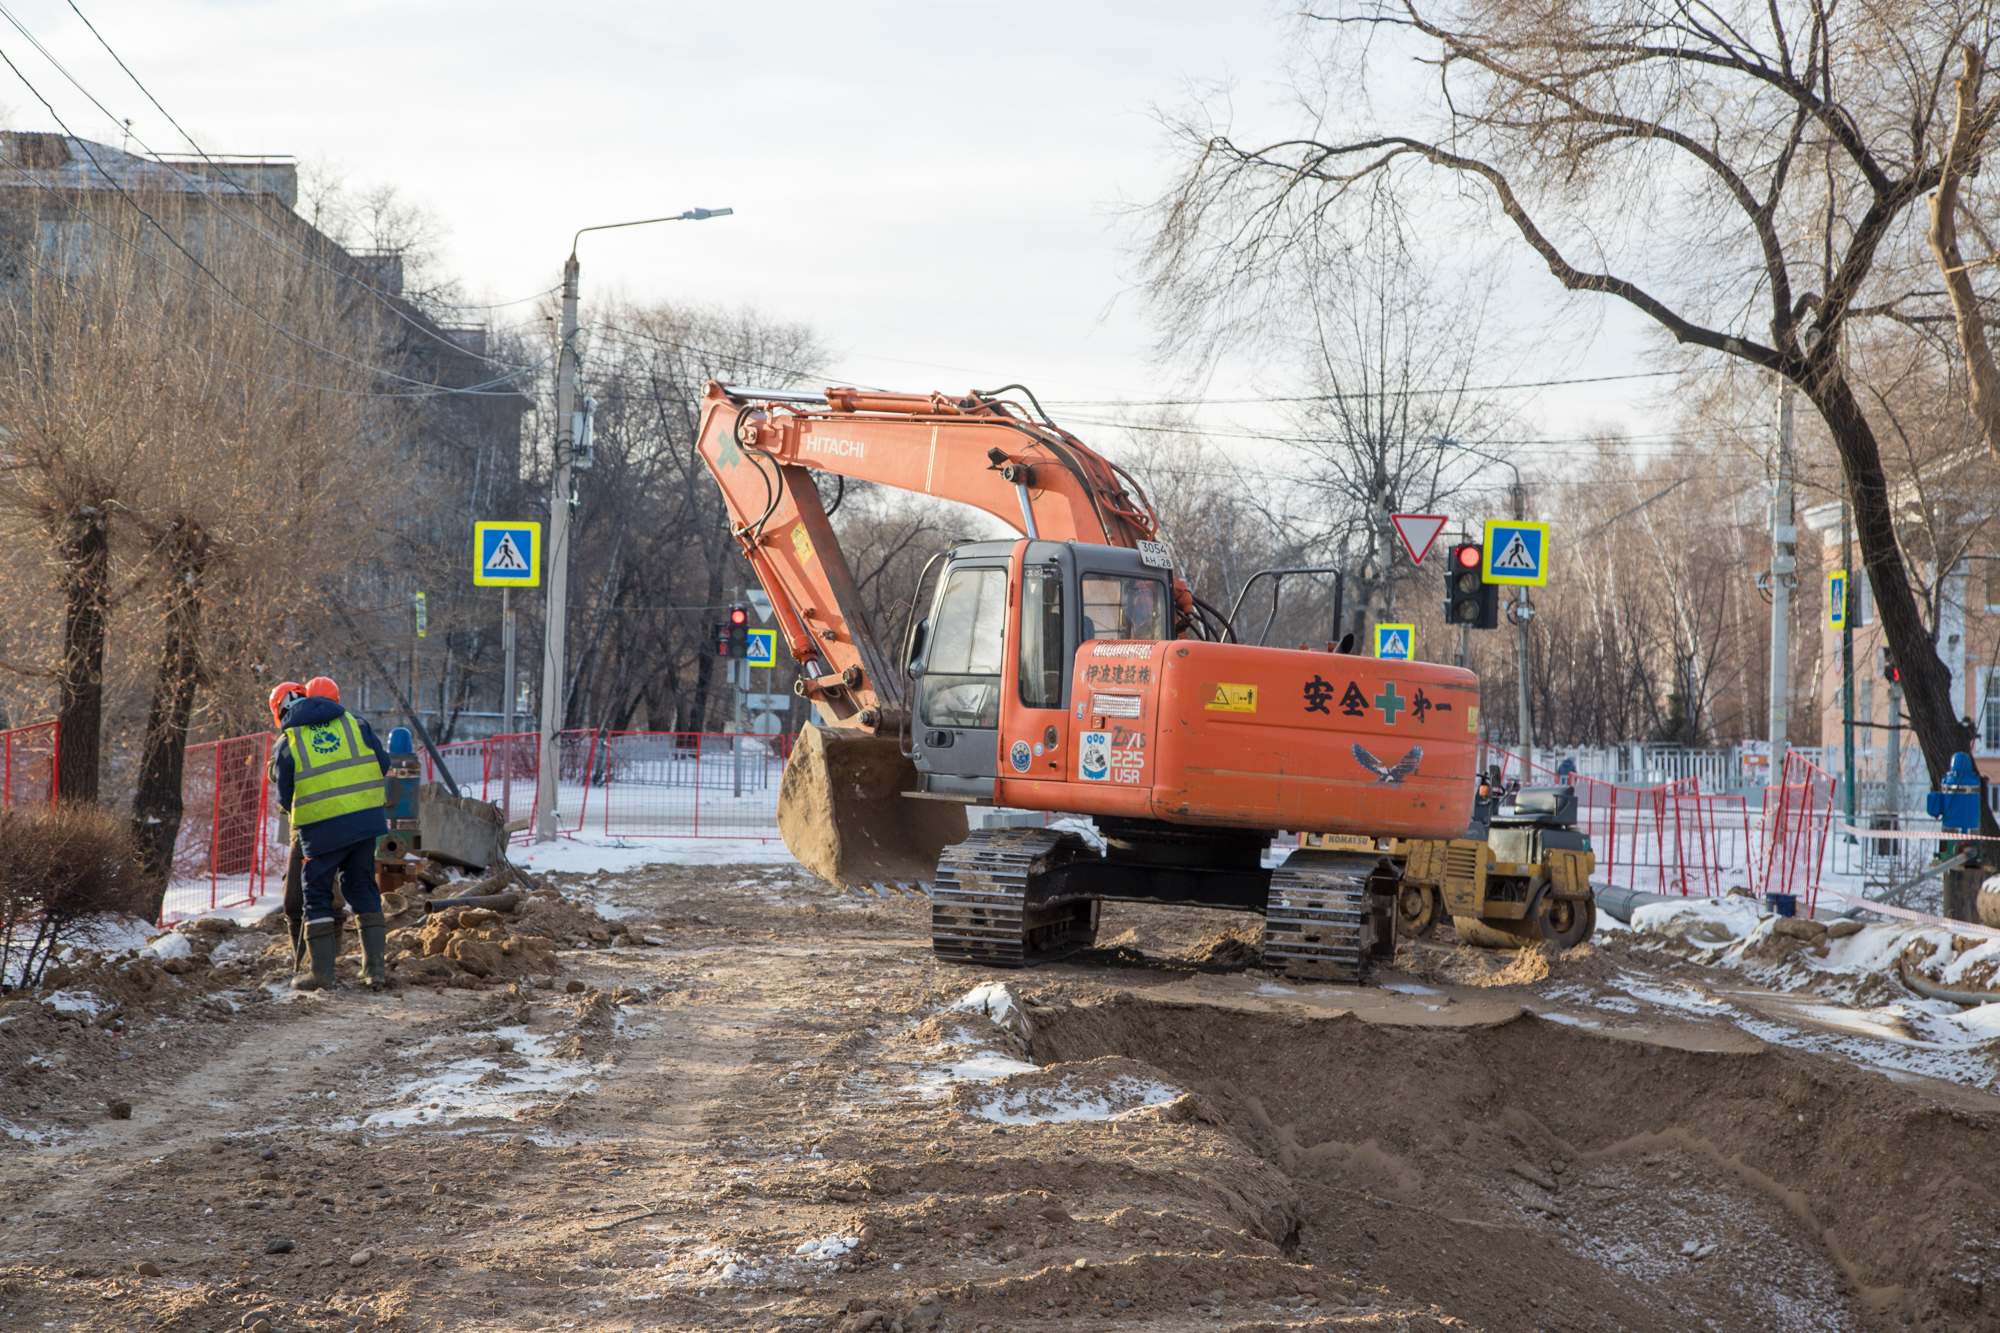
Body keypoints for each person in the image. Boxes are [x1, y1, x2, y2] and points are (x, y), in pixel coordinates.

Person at [271, 675, 393, 992]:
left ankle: (322, 974)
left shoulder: (290, 740)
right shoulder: (357, 724)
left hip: (322, 830)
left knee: (318, 894)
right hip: (367, 822)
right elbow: (382, 763)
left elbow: (285, 796)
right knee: (363, 886)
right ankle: (374, 971)